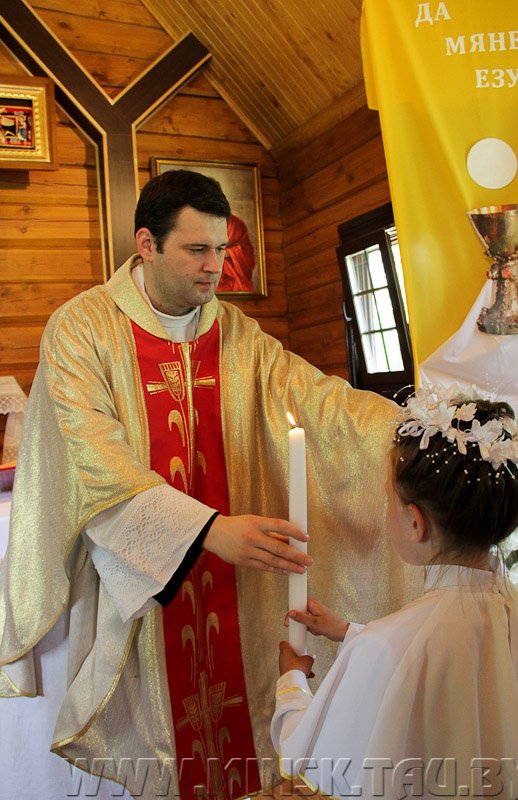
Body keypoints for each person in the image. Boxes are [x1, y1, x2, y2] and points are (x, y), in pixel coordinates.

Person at [0, 170, 419, 800]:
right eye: (197, 250)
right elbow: (92, 463)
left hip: (238, 585)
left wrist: (415, 432)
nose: (215, 267)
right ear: (146, 244)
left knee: (242, 740)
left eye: (222, 249)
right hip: (143, 583)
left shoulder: (236, 333)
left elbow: (321, 403)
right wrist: (206, 531)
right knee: (167, 757)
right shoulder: (81, 330)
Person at [272, 384, 518, 799]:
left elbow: (307, 756)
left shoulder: (386, 646)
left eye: (388, 500)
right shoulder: (509, 602)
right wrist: (349, 632)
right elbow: (449, 665)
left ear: (415, 522)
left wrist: (292, 680)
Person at [217, 213, 256, 292]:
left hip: (234, 273)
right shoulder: (207, 223)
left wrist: (230, 252)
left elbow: (246, 249)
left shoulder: (237, 223)